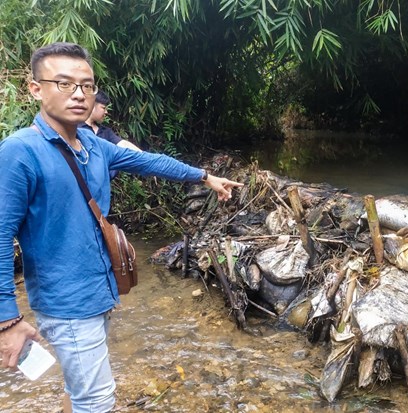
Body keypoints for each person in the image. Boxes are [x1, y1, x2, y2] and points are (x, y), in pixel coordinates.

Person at [0, 42, 243, 413]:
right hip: (66, 303)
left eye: (87, 85)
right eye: (64, 84)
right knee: (97, 400)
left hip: (101, 289)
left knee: (78, 389)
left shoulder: (94, 146)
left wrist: (205, 176)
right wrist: (8, 320)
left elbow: (150, 162)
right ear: (36, 89)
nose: (79, 94)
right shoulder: (21, 151)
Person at [80, 90, 140, 179]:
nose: (106, 112)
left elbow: (123, 144)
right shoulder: (74, 128)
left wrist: (149, 162)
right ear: (92, 106)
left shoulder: (105, 131)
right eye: (103, 108)